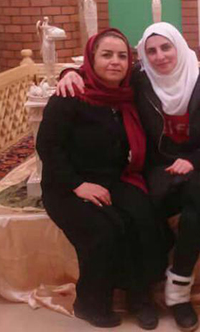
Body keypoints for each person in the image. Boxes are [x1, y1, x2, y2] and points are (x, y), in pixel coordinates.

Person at [57, 22, 200, 332]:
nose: (159, 56)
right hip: (159, 173)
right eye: (151, 51)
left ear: (179, 46)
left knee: (195, 209)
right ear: (143, 55)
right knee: (199, 191)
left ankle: (178, 296)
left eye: (166, 47)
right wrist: (68, 73)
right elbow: (101, 70)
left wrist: (193, 161)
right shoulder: (140, 81)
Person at [37, 29, 168, 330]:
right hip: (67, 185)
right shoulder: (70, 95)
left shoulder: (126, 93)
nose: (115, 62)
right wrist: (77, 185)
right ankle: (90, 303)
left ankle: (140, 297)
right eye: (106, 55)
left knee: (145, 217)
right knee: (104, 229)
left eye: (122, 56)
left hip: (113, 178)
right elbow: (48, 147)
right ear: (91, 59)